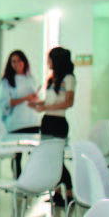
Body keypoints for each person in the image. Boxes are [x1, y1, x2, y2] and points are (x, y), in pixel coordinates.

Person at [31, 46, 75, 206]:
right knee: (50, 158)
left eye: (50, 58)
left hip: (58, 122)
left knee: (57, 158)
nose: (48, 62)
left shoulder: (68, 78)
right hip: (47, 121)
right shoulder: (52, 79)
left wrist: (45, 107)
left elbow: (68, 102)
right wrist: (38, 104)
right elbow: (50, 101)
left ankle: (69, 192)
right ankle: (57, 192)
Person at [0, 50, 41, 177]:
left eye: (19, 61)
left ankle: (32, 180)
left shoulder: (30, 79)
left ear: (24, 62)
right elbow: (5, 103)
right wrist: (25, 98)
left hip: (32, 121)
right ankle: (18, 181)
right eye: (13, 61)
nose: (16, 64)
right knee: (17, 156)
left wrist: (34, 99)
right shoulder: (7, 81)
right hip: (16, 124)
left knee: (33, 154)